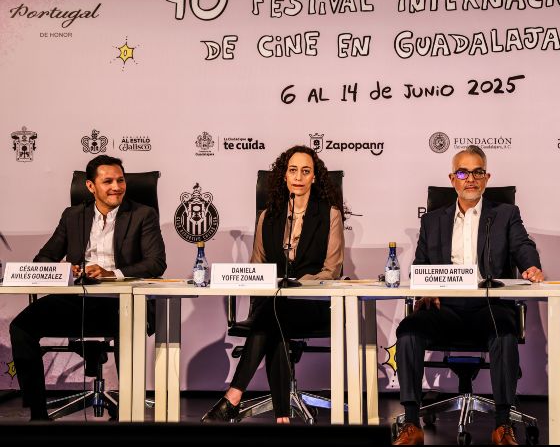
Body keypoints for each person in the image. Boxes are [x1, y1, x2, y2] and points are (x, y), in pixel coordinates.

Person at [392, 145, 544, 446]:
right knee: (408, 330)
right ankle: (411, 423)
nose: (470, 179)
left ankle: (503, 424)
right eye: (463, 172)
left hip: (488, 307)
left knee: (504, 332)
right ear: (452, 179)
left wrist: (531, 265)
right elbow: (420, 265)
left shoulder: (504, 214)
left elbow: (522, 246)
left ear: (487, 177)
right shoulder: (432, 220)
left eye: (477, 172)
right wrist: (424, 289)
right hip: (443, 307)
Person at [9, 155, 166, 421]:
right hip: (79, 301)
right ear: (91, 187)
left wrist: (112, 274)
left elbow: (156, 263)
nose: (116, 186)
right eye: (108, 181)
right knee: (21, 327)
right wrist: (66, 270)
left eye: (120, 180)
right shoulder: (73, 215)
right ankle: (37, 413)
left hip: (123, 302)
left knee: (125, 326)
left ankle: (127, 412)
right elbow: (43, 260)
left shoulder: (142, 214)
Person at [202, 145, 344, 423]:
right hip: (274, 305)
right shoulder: (268, 216)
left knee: (271, 317)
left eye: (306, 171)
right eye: (293, 170)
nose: (299, 177)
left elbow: (332, 270)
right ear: (284, 176)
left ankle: (234, 396)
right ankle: (283, 416)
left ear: (315, 177)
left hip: (312, 304)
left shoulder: (330, 215)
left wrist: (296, 285)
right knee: (275, 319)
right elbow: (258, 266)